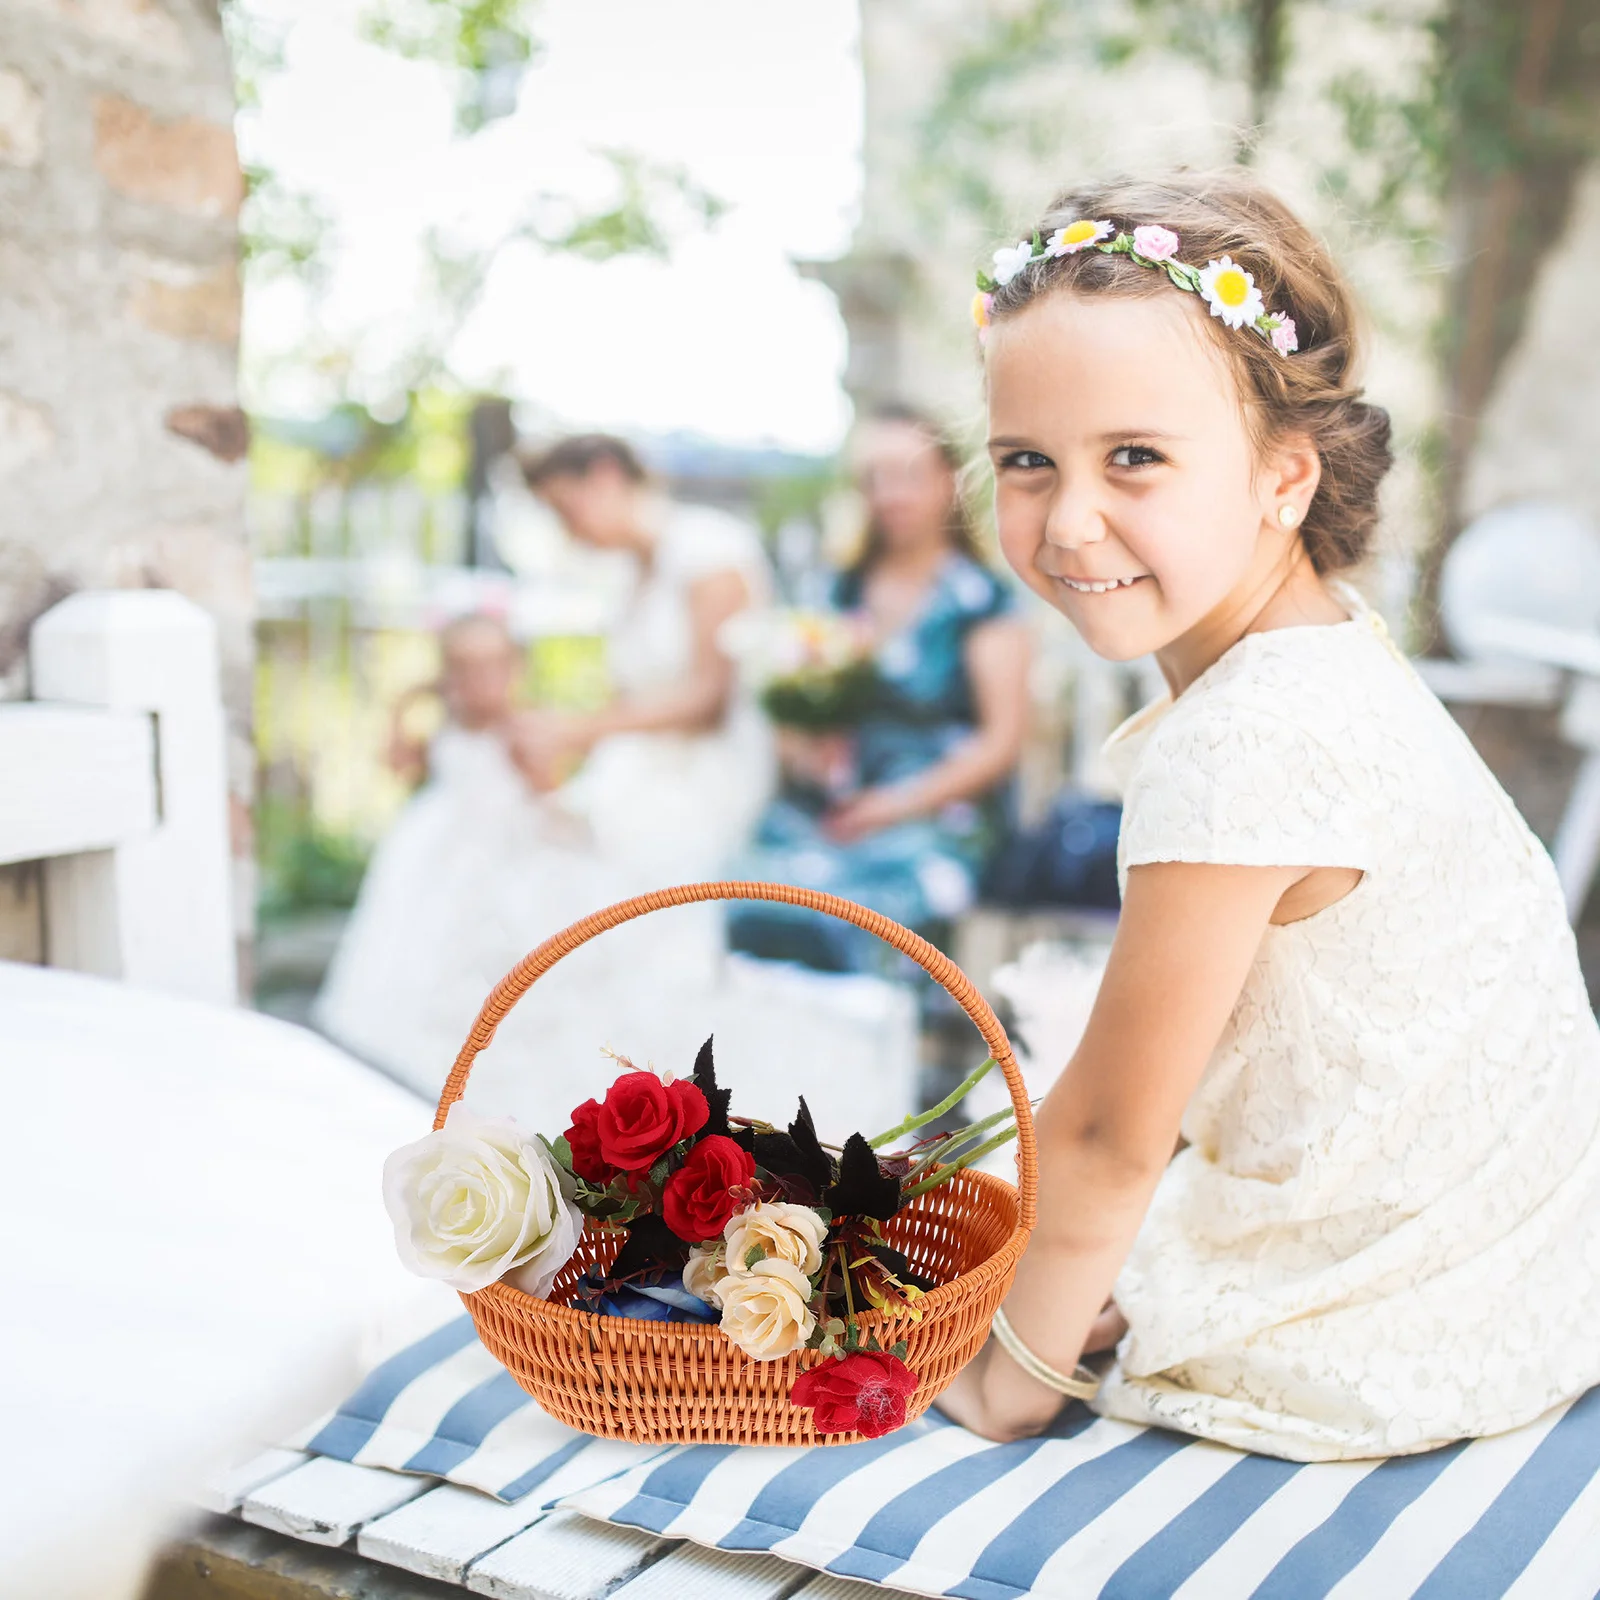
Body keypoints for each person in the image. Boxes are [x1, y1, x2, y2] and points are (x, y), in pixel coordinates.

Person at [936, 171, 1600, 1461]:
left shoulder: (1245, 742)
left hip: (1382, 1332)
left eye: (1135, 456)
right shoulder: (1331, 655)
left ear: (1283, 478)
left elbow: (1110, 1134)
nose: (1071, 520)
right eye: (1028, 461)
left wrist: (1005, 1377)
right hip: (1517, 1268)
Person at [727, 406, 1032, 972]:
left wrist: (891, 807)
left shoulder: (980, 601)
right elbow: (791, 711)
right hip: (828, 811)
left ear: (949, 481)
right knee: (744, 902)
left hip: (934, 819)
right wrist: (805, 748)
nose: (890, 493)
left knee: (852, 923)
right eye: (873, 478)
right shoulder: (834, 590)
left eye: (908, 475)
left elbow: (1001, 744)